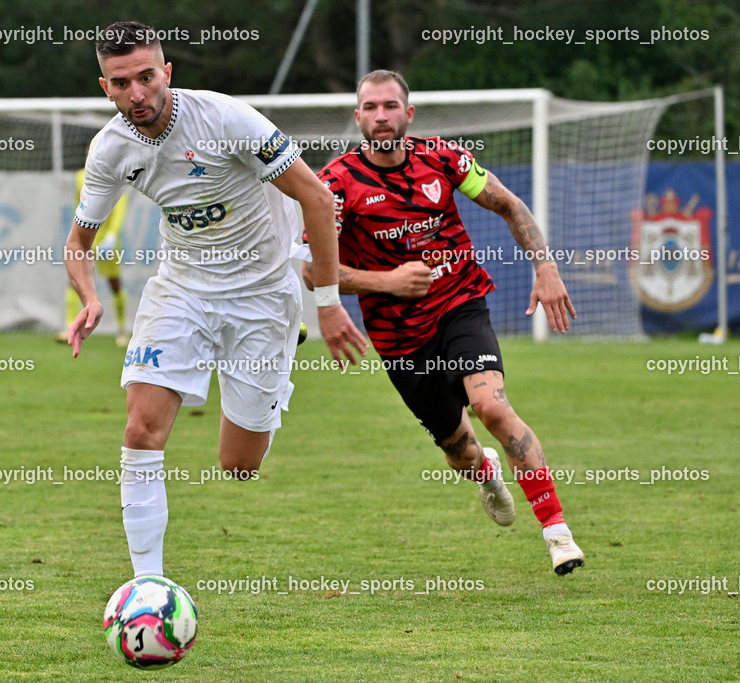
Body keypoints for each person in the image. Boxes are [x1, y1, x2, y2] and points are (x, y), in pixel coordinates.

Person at [63, 21, 367, 579]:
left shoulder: (227, 119)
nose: (137, 94)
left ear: (167, 72)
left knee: (239, 466)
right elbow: (78, 242)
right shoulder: (109, 149)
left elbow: (318, 199)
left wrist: (325, 301)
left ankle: (276, 375)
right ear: (104, 86)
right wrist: (88, 297)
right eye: (121, 82)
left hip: (262, 297)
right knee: (140, 431)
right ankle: (147, 587)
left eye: (147, 77)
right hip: (181, 291)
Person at [304, 69, 584, 575]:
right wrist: (388, 282)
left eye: (391, 106)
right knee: (460, 451)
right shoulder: (336, 185)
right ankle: (485, 474)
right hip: (397, 338)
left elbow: (508, 204)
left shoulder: (445, 158)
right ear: (358, 117)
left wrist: (545, 265)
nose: (381, 116)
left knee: (492, 408)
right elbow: (312, 269)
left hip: (460, 304)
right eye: (371, 107)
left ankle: (557, 532)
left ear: (408, 114)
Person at [57, 147, 131, 346]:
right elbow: (78, 206)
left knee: (114, 283)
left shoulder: (119, 178)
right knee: (73, 280)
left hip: (108, 240)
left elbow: (119, 211)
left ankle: (122, 329)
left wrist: (112, 236)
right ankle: (69, 327)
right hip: (87, 238)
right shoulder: (80, 177)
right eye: (89, 152)